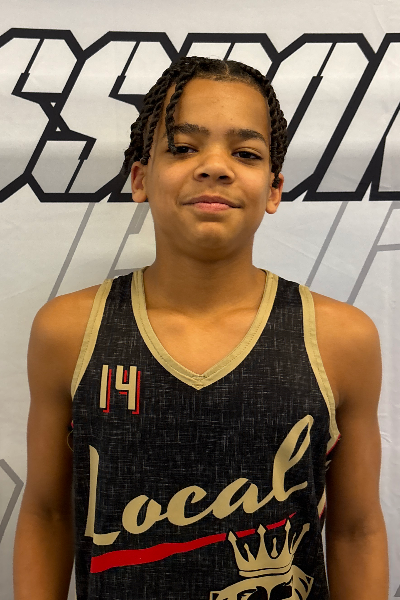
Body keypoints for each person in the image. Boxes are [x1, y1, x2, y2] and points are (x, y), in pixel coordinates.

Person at [13, 56, 389, 600]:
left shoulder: (340, 338)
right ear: (140, 178)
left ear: (274, 188)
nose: (215, 166)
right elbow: (48, 512)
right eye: (184, 148)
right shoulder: (71, 330)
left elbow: (357, 530)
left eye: (245, 153)